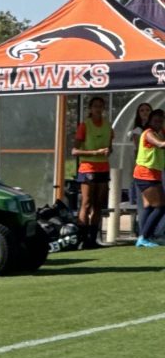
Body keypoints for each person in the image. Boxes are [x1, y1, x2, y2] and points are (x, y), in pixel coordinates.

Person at [71, 96, 112, 250]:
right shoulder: (84, 125)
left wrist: (108, 151)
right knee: (86, 203)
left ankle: (92, 239)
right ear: (90, 108)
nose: (98, 109)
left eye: (101, 106)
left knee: (98, 204)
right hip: (88, 168)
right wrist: (96, 152)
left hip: (103, 168)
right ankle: (81, 238)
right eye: (95, 106)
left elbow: (110, 147)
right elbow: (74, 151)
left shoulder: (108, 126)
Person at [132, 108, 165, 248]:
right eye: (156, 120)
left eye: (161, 121)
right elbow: (160, 144)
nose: (158, 123)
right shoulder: (148, 133)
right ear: (150, 121)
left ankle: (145, 236)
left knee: (149, 207)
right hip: (145, 174)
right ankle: (144, 237)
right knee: (161, 207)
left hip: (153, 173)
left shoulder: (159, 132)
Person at [127, 101, 153, 235]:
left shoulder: (157, 128)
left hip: (156, 167)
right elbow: (138, 150)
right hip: (143, 168)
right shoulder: (138, 131)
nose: (145, 113)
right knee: (144, 202)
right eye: (142, 110)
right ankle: (143, 231)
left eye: (147, 110)